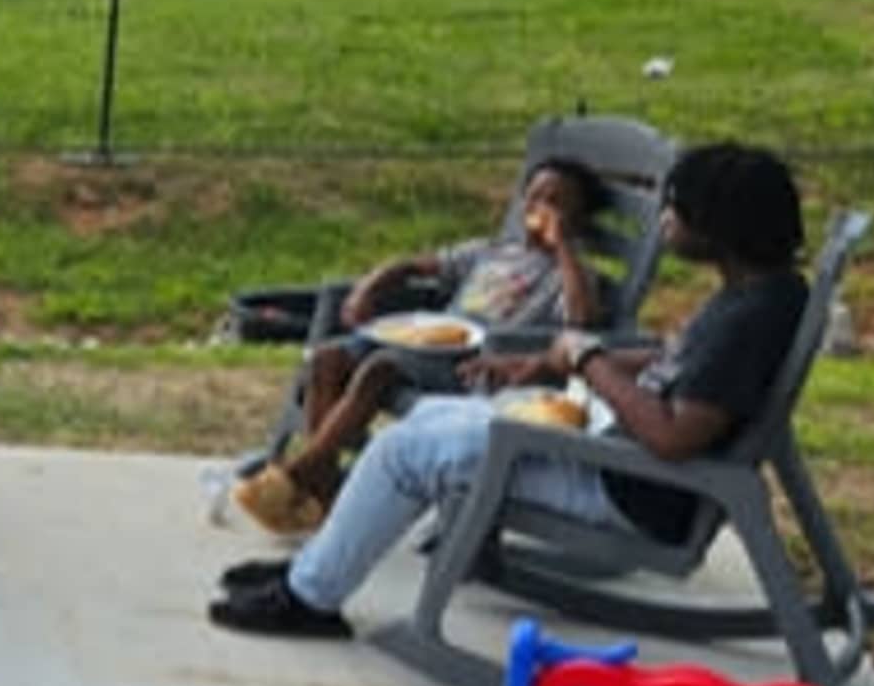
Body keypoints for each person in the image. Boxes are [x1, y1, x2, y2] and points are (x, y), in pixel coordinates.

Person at [209, 143, 812, 641]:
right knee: (433, 419)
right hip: (617, 464)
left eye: (676, 210)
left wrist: (588, 356)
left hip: (624, 487)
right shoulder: (759, 296)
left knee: (404, 453)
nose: (666, 221)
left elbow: (673, 435)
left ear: (720, 225)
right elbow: (670, 362)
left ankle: (309, 596)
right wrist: (552, 359)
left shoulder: (746, 319)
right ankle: (314, 570)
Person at [232, 159, 609, 537]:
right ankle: (323, 484)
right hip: (429, 343)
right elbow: (416, 264)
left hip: (477, 365)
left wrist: (562, 247)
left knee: (377, 371)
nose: (541, 206)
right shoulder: (493, 250)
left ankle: (300, 475)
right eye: (535, 196)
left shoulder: (570, 273)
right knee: (326, 360)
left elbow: (582, 319)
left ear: (576, 219)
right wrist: (371, 286)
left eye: (557, 202)